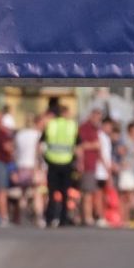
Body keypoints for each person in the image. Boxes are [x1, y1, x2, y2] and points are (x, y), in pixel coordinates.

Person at [41, 98, 77, 228]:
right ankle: (63, 219)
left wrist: (42, 159)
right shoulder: (71, 126)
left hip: (52, 162)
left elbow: (42, 143)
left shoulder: (51, 124)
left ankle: (49, 218)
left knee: (51, 192)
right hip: (67, 163)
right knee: (65, 193)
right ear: (66, 113)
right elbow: (78, 146)